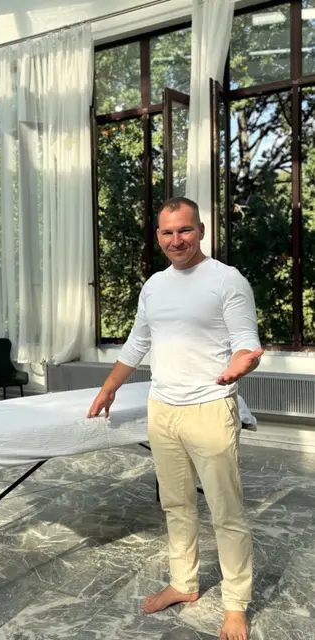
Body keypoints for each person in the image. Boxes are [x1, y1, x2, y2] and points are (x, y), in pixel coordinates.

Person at [87, 197, 263, 640]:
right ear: (158, 237)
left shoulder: (227, 280)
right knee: (176, 505)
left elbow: (246, 341)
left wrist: (243, 363)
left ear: (200, 230)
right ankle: (184, 583)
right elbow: (136, 343)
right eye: (167, 232)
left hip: (210, 407)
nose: (176, 240)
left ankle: (236, 603)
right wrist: (109, 387)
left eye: (184, 230)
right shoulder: (154, 286)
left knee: (226, 511)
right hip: (162, 408)